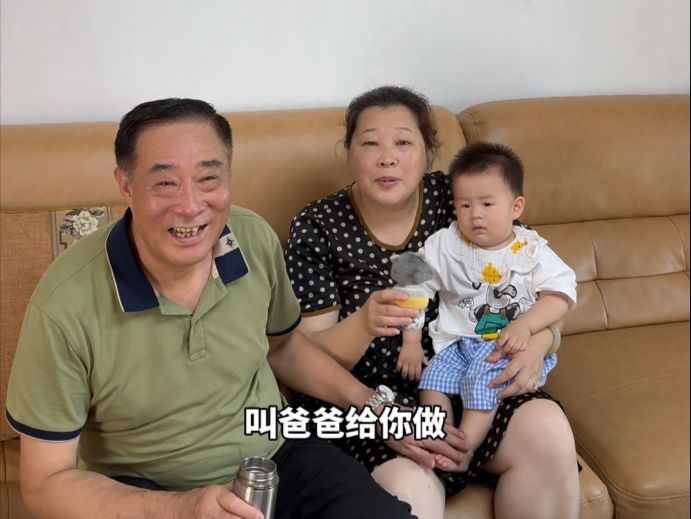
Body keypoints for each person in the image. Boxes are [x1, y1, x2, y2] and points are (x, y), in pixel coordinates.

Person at [4, 98, 455, 519]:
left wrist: (374, 407)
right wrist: (183, 508)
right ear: (126, 185)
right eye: (165, 183)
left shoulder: (252, 237)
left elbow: (282, 348)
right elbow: (45, 483)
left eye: (208, 179)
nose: (190, 206)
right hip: (150, 494)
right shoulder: (64, 304)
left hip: (277, 457)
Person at [284, 86, 580, 519]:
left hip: (474, 378)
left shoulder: (462, 197)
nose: (387, 159)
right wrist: (364, 325)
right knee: (412, 487)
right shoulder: (318, 227)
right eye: (370, 143)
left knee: (548, 430)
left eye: (404, 142)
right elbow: (303, 359)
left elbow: (546, 285)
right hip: (373, 403)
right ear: (349, 153)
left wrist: (542, 340)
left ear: (428, 153)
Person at [401, 142, 577, 474]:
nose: (475, 214)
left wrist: (525, 326)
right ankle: (438, 436)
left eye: (486, 204)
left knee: (485, 381)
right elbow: (413, 284)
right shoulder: (445, 244)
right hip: (456, 343)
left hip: (507, 346)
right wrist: (411, 341)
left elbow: (561, 294)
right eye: (464, 205)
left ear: (516, 207)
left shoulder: (530, 249)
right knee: (431, 381)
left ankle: (463, 451)